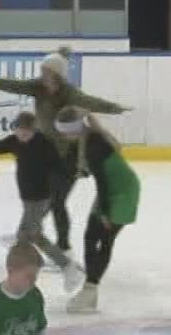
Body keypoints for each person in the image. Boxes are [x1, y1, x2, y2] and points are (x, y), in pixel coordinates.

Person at [0, 48, 130, 254]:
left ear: (56, 73)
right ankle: (27, 233)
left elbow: (89, 102)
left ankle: (63, 248)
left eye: (46, 69)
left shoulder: (68, 92)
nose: (42, 72)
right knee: (43, 199)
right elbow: (13, 85)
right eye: (42, 68)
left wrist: (113, 107)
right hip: (46, 154)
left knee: (56, 202)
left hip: (69, 156)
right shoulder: (37, 87)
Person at [0, 111, 86, 289]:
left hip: (41, 197)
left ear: (34, 130)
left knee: (30, 235)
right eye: (19, 131)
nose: (22, 135)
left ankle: (66, 267)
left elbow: (60, 168)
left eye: (26, 132)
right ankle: (44, 265)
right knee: (30, 236)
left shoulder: (44, 145)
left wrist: (76, 173)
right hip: (28, 198)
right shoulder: (14, 141)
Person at [53, 107, 140, 315]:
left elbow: (102, 181)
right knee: (90, 237)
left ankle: (90, 291)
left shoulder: (94, 144)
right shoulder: (81, 142)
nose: (63, 135)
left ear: (73, 129)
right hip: (109, 190)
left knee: (106, 239)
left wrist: (105, 213)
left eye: (64, 131)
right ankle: (89, 292)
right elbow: (67, 167)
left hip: (122, 191)